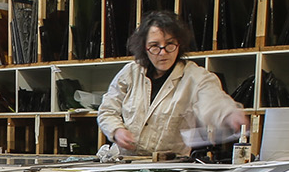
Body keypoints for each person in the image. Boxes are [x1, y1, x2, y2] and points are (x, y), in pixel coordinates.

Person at [97, 10, 249, 159]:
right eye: (155, 46)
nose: (163, 53)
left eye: (170, 44)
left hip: (169, 168)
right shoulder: (130, 73)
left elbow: (213, 101)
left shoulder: (195, 77)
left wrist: (230, 115)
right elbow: (107, 110)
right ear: (145, 47)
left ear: (179, 44)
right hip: (123, 164)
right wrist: (116, 131)